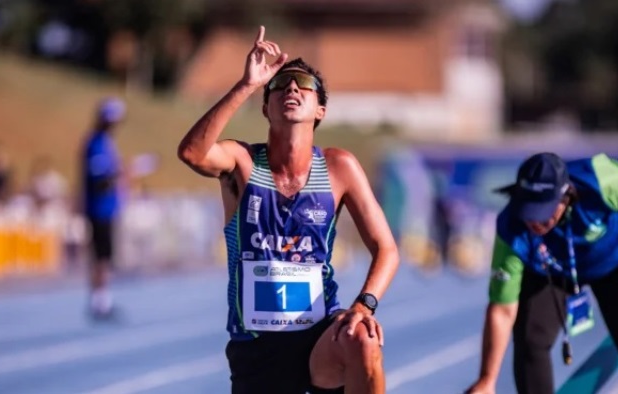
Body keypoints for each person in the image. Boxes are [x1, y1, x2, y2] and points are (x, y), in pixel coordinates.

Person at [177, 26, 399, 394]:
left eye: (303, 84)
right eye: (280, 85)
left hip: (319, 336)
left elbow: (386, 249)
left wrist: (364, 305)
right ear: (266, 107)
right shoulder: (243, 162)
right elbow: (192, 153)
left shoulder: (338, 168)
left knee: (363, 339)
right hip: (256, 346)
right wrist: (247, 84)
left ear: (320, 110)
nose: (291, 88)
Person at [465, 152, 618, 394]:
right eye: (529, 209)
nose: (535, 222)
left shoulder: (602, 180)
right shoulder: (511, 230)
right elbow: (502, 309)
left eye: (544, 212)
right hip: (551, 271)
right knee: (530, 339)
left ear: (566, 197)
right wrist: (487, 379)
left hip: (615, 263)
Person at [81, 97, 126, 320]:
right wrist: (121, 173)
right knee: (100, 256)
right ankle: (99, 301)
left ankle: (102, 299)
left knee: (105, 256)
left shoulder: (105, 142)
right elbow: (99, 180)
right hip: (99, 208)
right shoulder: (96, 143)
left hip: (107, 208)